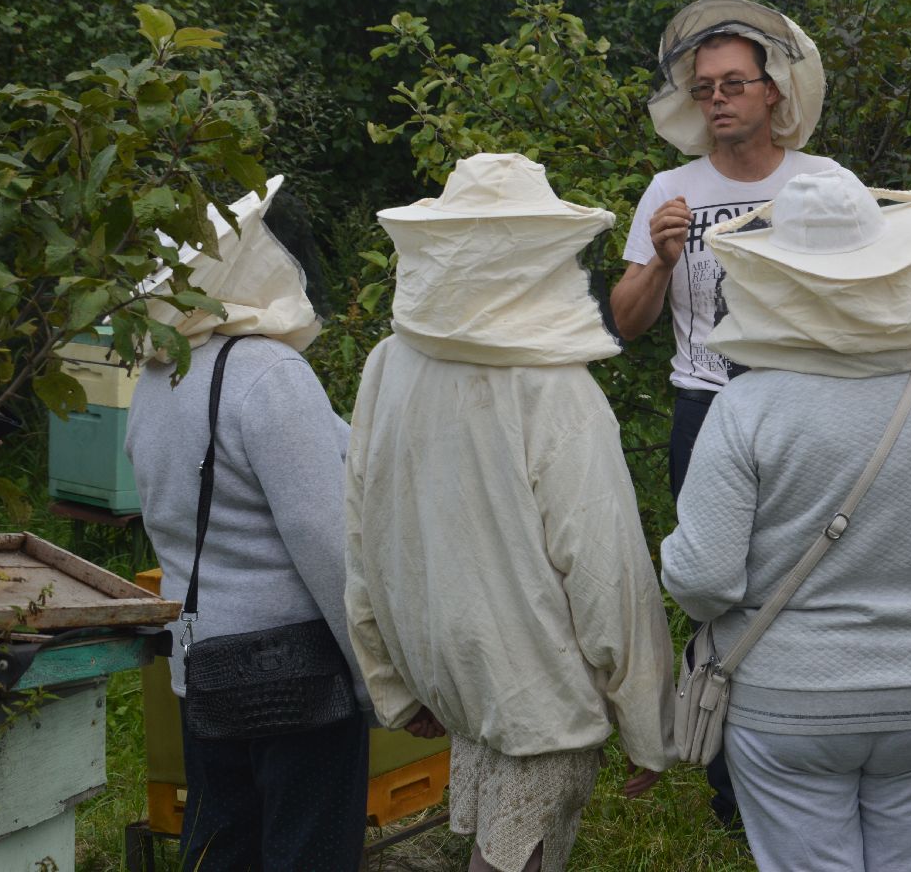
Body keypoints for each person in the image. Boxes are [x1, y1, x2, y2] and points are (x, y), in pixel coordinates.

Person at [661, 167, 911, 872]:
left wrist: (673, 555)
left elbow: (706, 580)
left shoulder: (744, 407)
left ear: (773, 277)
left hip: (788, 702)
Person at [344, 153, 677, 872]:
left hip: (456, 675)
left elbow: (362, 537)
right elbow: (605, 567)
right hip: (539, 694)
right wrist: (648, 723)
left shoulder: (388, 363)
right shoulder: (554, 389)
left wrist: (398, 681)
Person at [609, 0, 836, 825]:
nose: (718, 98)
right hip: (703, 410)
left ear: (774, 90)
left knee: (809, 579)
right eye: (704, 87)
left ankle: (813, 754)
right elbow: (625, 323)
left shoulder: (826, 185)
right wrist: (662, 261)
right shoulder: (670, 191)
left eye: (734, 82)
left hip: (808, 407)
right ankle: (732, 777)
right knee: (716, 591)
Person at [126, 175, 372, 872]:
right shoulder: (267, 372)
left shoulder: (160, 376)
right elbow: (330, 547)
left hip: (201, 670)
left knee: (221, 857)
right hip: (298, 685)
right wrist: (379, 678)